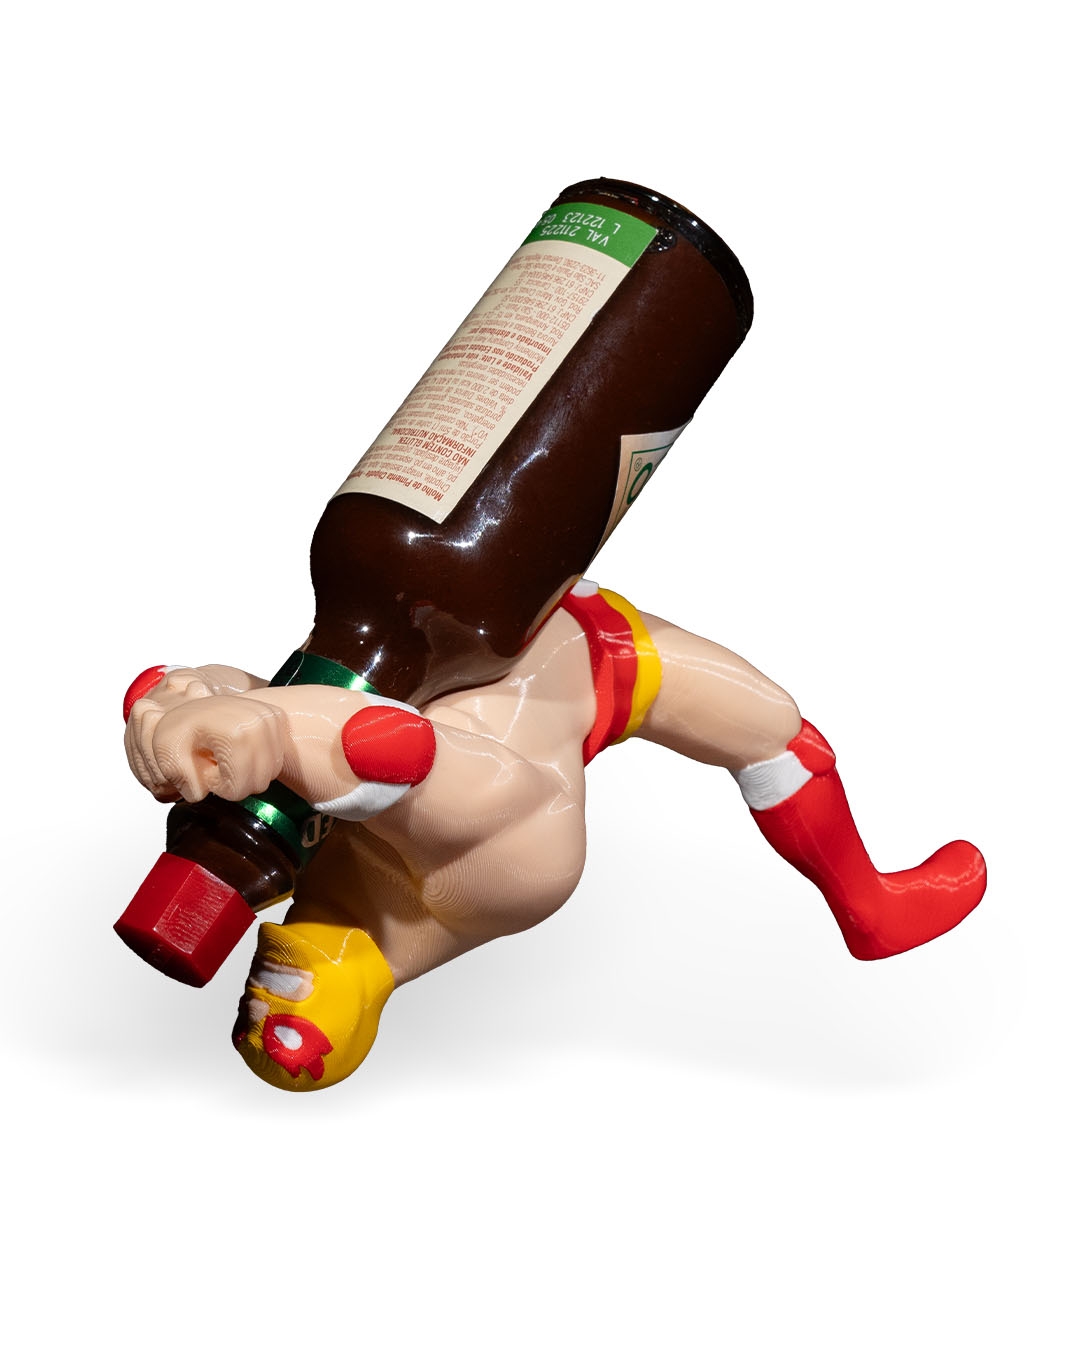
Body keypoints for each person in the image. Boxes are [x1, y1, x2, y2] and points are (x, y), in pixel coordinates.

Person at [124, 581, 986, 1091]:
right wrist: (270, 725)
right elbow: (399, 752)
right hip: (602, 657)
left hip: (503, 600)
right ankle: (871, 906)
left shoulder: (296, 863)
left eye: (268, 995)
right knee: (777, 735)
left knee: (780, 741)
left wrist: (190, 696)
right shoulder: (502, 878)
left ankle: (866, 904)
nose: (272, 988)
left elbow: (279, 696)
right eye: (292, 1006)